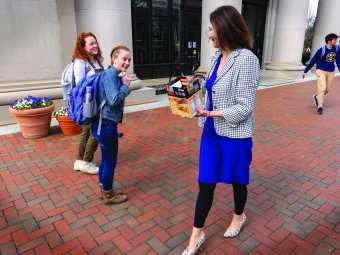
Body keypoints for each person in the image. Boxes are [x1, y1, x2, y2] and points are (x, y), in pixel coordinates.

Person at [181, 6, 260, 255]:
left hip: (235, 133)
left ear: (225, 28)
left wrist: (211, 113)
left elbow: (245, 107)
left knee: (238, 180)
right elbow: (212, 93)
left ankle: (239, 216)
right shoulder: (217, 57)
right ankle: (196, 235)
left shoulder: (246, 59)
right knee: (205, 183)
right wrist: (193, 100)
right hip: (211, 132)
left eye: (212, 29)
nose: (209, 35)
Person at [91, 46, 131, 204]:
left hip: (104, 124)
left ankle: (105, 189)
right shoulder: (110, 75)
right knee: (110, 161)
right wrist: (126, 87)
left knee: (106, 160)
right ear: (114, 58)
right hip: (105, 125)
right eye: (124, 59)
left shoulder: (113, 75)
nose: (127, 62)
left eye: (129, 59)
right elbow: (114, 100)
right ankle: (108, 195)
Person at [72, 32, 104, 174]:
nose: (95, 45)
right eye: (91, 44)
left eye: (95, 42)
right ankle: (87, 162)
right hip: (89, 102)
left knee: (86, 131)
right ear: (83, 47)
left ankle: (79, 161)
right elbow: (80, 84)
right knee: (96, 131)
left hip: (96, 100)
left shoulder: (95, 60)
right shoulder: (80, 62)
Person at [302, 33, 340, 115]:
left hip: (331, 71)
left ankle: (316, 97)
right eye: (334, 39)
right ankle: (320, 106)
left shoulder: (337, 48)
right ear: (329, 41)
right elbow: (313, 61)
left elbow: (338, 61)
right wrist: (305, 71)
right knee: (322, 88)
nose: (336, 41)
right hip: (321, 70)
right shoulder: (321, 50)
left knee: (327, 89)